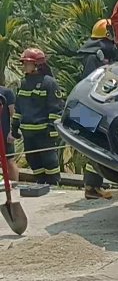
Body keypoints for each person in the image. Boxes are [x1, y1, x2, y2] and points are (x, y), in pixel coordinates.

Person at [11, 48, 62, 186]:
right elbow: (18, 108)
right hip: (28, 133)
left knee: (49, 160)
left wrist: (52, 130)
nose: (24, 66)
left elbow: (55, 109)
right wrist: (14, 126)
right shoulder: (23, 83)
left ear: (37, 65)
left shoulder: (49, 83)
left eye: (27, 63)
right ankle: (41, 183)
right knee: (33, 160)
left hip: (43, 132)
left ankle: (53, 185)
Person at [77, 18, 115, 200]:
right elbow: (95, 83)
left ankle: (92, 186)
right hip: (91, 108)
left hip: (85, 107)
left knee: (95, 145)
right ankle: (93, 187)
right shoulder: (95, 57)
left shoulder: (92, 54)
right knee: (96, 145)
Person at [0, 85, 19, 184]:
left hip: (4, 133)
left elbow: (13, 114)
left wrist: (12, 132)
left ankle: (14, 185)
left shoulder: (6, 92)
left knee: (9, 160)